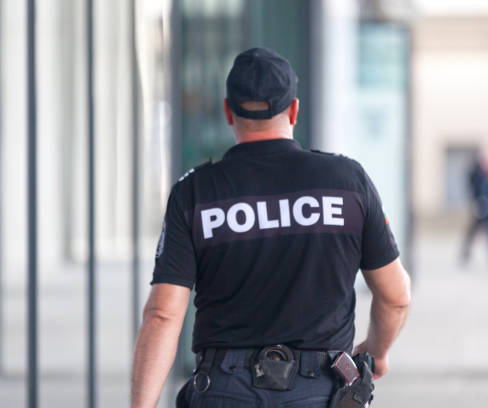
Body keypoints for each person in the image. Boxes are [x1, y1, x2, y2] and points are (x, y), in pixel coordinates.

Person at [130, 47, 411, 408]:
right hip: (322, 393)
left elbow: (163, 313)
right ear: (294, 109)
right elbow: (395, 295)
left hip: (222, 392)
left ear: (228, 112)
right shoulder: (346, 182)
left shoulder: (196, 192)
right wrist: (377, 350)